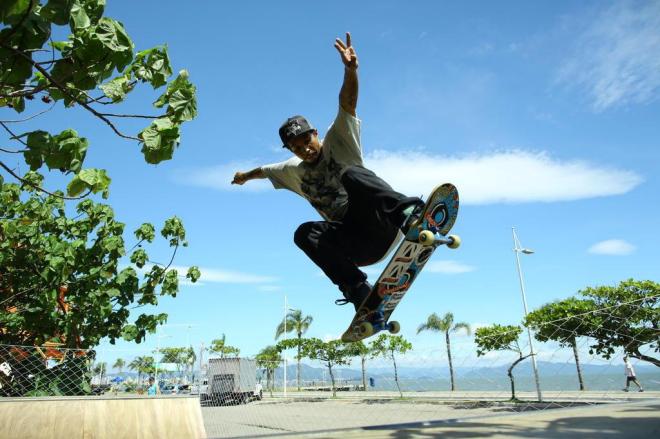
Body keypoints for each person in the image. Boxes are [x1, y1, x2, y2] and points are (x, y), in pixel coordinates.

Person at [232, 32, 424, 311]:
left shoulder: (339, 139)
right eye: (296, 148)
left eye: (307, 142)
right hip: (357, 246)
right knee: (304, 233)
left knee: (351, 174)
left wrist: (350, 70)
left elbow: (348, 103)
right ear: (290, 150)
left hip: (382, 224)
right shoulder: (291, 170)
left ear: (316, 134)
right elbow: (264, 170)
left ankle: (409, 215)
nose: (305, 150)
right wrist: (244, 177)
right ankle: (358, 290)